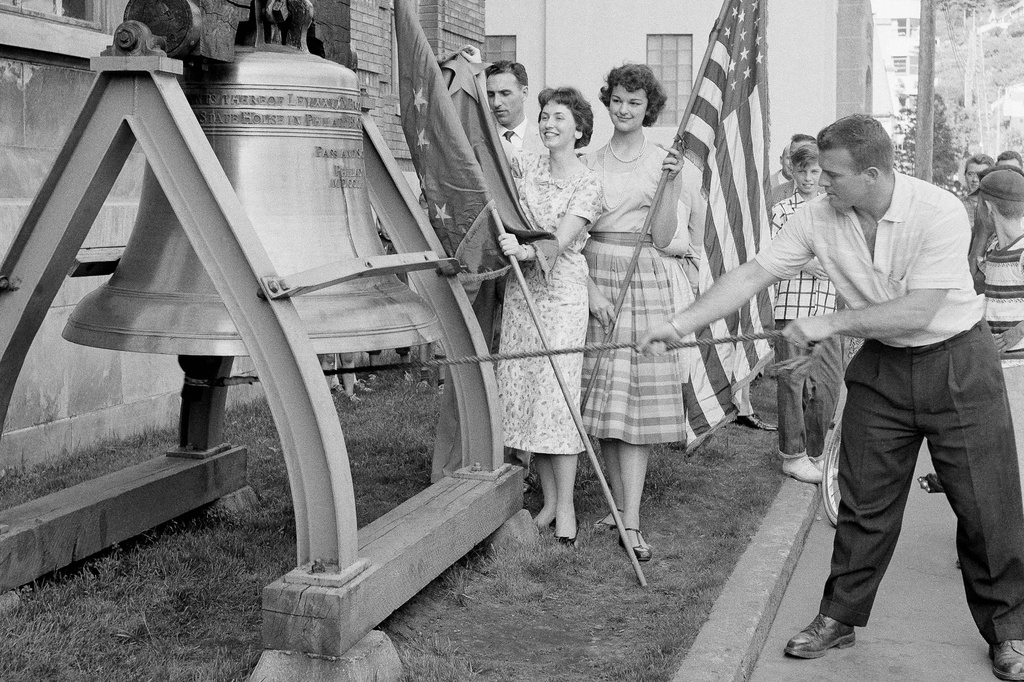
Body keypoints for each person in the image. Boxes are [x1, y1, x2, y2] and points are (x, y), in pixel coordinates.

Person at [641, 114, 1024, 681]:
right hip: (883, 367)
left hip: (958, 362)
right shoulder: (817, 216)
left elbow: (919, 310)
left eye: (834, 176)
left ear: (872, 173)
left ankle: (1010, 633)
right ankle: (838, 617)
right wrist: (678, 325)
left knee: (987, 508)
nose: (823, 185)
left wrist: (826, 322)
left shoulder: (938, 210)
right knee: (863, 501)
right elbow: (754, 273)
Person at [580, 63, 684, 563]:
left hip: (642, 275)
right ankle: (616, 508)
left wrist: (673, 185)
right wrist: (588, 289)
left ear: (649, 109)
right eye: (618, 100)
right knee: (604, 397)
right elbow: (577, 233)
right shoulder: (591, 162)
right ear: (608, 102)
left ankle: (633, 520)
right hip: (598, 272)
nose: (624, 110)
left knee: (635, 402)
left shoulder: (665, 161)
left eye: (635, 103)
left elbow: (664, 237)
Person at [496, 86, 603, 545]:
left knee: (557, 396)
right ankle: (548, 502)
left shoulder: (589, 181)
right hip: (521, 292)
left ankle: (568, 509)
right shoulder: (524, 167)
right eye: (543, 116)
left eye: (559, 117)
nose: (548, 124)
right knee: (527, 394)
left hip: (560, 291)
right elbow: (498, 202)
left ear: (579, 128)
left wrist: (523, 249)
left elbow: (560, 240)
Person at [769, 143, 842, 484]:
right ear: (792, 173)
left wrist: (822, 261)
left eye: (815, 172)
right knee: (792, 382)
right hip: (792, 307)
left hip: (827, 310)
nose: (809, 178)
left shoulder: (836, 211)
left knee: (826, 384)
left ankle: (815, 451)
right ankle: (792, 455)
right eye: (803, 172)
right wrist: (820, 262)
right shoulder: (783, 210)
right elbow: (783, 254)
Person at [979, 166, 1024, 506]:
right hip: (997, 367)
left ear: (989, 207)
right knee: (997, 452)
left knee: (1017, 453)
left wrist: (1013, 335)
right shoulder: (995, 245)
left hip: (1019, 368)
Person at [484, 59, 546, 156]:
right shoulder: (481, 141)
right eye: (491, 95)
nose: (496, 103)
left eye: (505, 94)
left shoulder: (546, 141)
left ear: (524, 93)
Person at [768, 133, 817, 208]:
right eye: (792, 155)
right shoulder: (773, 195)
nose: (795, 159)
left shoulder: (829, 194)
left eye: (804, 154)